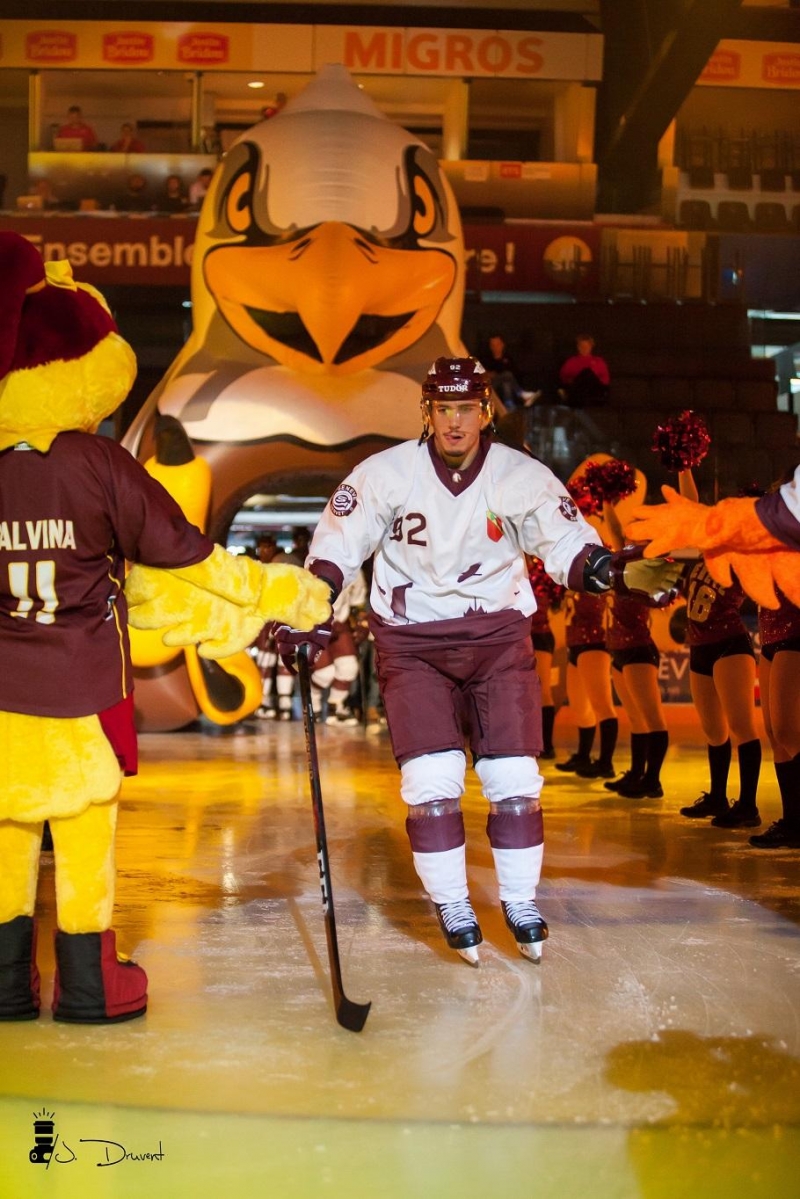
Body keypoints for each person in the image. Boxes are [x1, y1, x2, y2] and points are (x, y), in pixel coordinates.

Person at [275, 356, 681, 965]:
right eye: (444, 408)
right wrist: (308, 612)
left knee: (514, 783)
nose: (455, 421)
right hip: (412, 643)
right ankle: (454, 901)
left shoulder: (521, 476)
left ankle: (519, 900)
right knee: (431, 784)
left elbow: (569, 547)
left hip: (497, 639)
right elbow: (336, 549)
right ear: (427, 412)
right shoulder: (385, 473)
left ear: (485, 410)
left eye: (466, 408)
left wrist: (613, 570)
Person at [676, 469, 762, 828]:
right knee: (713, 730)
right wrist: (683, 467)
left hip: (731, 644)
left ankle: (748, 805)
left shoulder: (745, 554)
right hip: (699, 647)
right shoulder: (705, 549)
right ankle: (716, 796)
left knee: (742, 726)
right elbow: (690, 508)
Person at [602, 502, 669, 799]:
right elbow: (616, 533)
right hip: (619, 649)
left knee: (652, 717)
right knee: (637, 718)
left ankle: (652, 780)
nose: (632, 533)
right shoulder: (626, 559)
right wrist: (606, 503)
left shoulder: (652, 561)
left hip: (639, 649)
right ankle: (637, 773)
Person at [554, 590, 617, 778]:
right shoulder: (573, 581)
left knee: (602, 705)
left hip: (595, 643)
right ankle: (583, 756)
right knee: (579, 706)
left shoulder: (599, 582)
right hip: (575, 644)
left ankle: (606, 763)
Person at [482, 333, 538, 410]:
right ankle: (521, 394)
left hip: (506, 387)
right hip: (492, 387)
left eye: (497, 344)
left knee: (506, 383)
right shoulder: (486, 359)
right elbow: (484, 375)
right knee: (507, 375)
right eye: (493, 345)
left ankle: (509, 405)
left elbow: (514, 373)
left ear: (502, 345)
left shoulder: (507, 358)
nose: (495, 347)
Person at [558, 334, 610, 407]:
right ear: (578, 347)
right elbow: (563, 378)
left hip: (594, 392)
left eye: (586, 346)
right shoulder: (571, 362)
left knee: (587, 373)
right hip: (577, 392)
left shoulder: (599, 361)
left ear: (591, 347)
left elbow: (605, 381)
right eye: (581, 346)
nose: (584, 348)